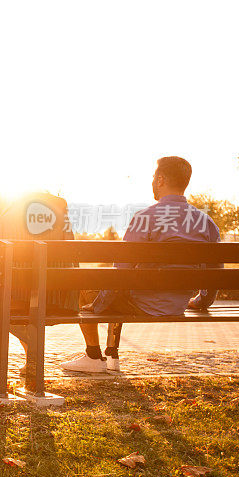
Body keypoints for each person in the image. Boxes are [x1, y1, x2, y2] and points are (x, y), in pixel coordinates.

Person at [60, 156, 220, 373]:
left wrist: (97, 306)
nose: (152, 181)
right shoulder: (206, 222)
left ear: (161, 179)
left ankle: (93, 356)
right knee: (116, 288)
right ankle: (112, 355)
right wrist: (200, 302)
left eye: (154, 176)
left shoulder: (145, 218)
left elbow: (121, 272)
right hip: (178, 304)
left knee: (88, 286)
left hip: (144, 304)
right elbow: (214, 274)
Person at [0, 190, 79, 378]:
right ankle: (31, 361)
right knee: (23, 298)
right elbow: (72, 256)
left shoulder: (6, 212)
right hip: (56, 297)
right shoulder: (59, 212)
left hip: (16, 296)